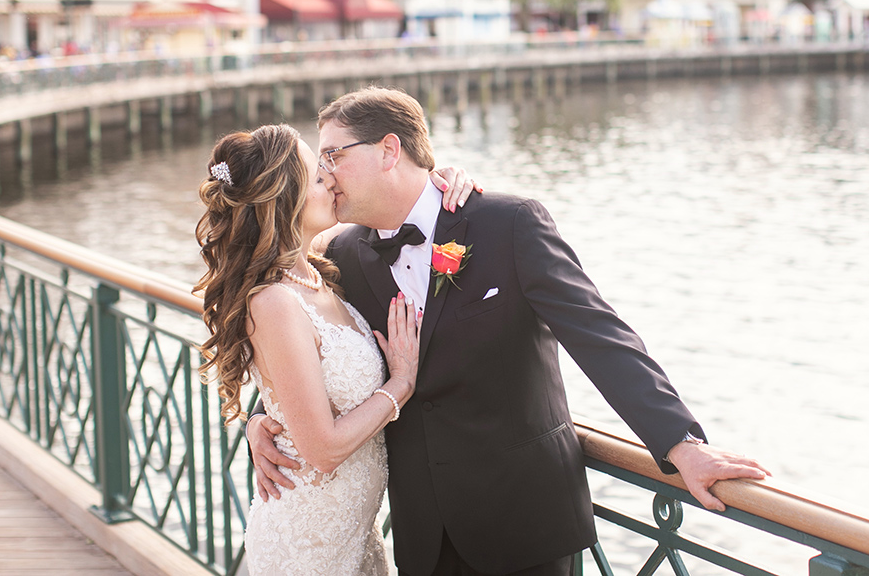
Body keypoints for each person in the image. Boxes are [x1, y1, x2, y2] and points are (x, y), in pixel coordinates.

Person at [247, 87, 769, 576]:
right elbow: (309, 345)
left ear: (388, 150)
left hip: (527, 523)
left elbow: (602, 337)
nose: (325, 173)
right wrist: (261, 420)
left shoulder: (508, 223)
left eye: (334, 155)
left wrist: (682, 444)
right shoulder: (343, 254)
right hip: (423, 535)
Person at [194, 124, 476, 576]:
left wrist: (436, 179)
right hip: (310, 545)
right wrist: (400, 384)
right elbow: (322, 450)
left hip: (355, 535)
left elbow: (292, 385)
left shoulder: (319, 268)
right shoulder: (275, 302)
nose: (331, 179)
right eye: (317, 175)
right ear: (284, 201)